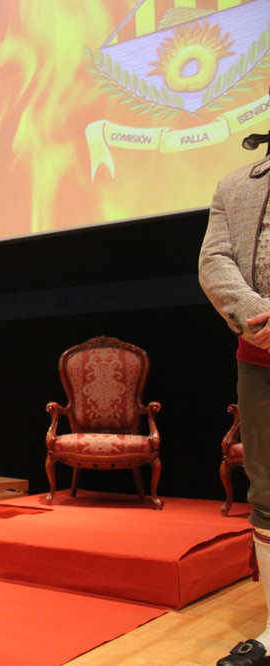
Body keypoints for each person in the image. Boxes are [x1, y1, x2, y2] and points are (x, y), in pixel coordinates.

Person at [199, 148, 270, 666]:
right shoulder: (234, 185)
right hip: (262, 355)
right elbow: (214, 262)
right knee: (268, 494)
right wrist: (258, 317)